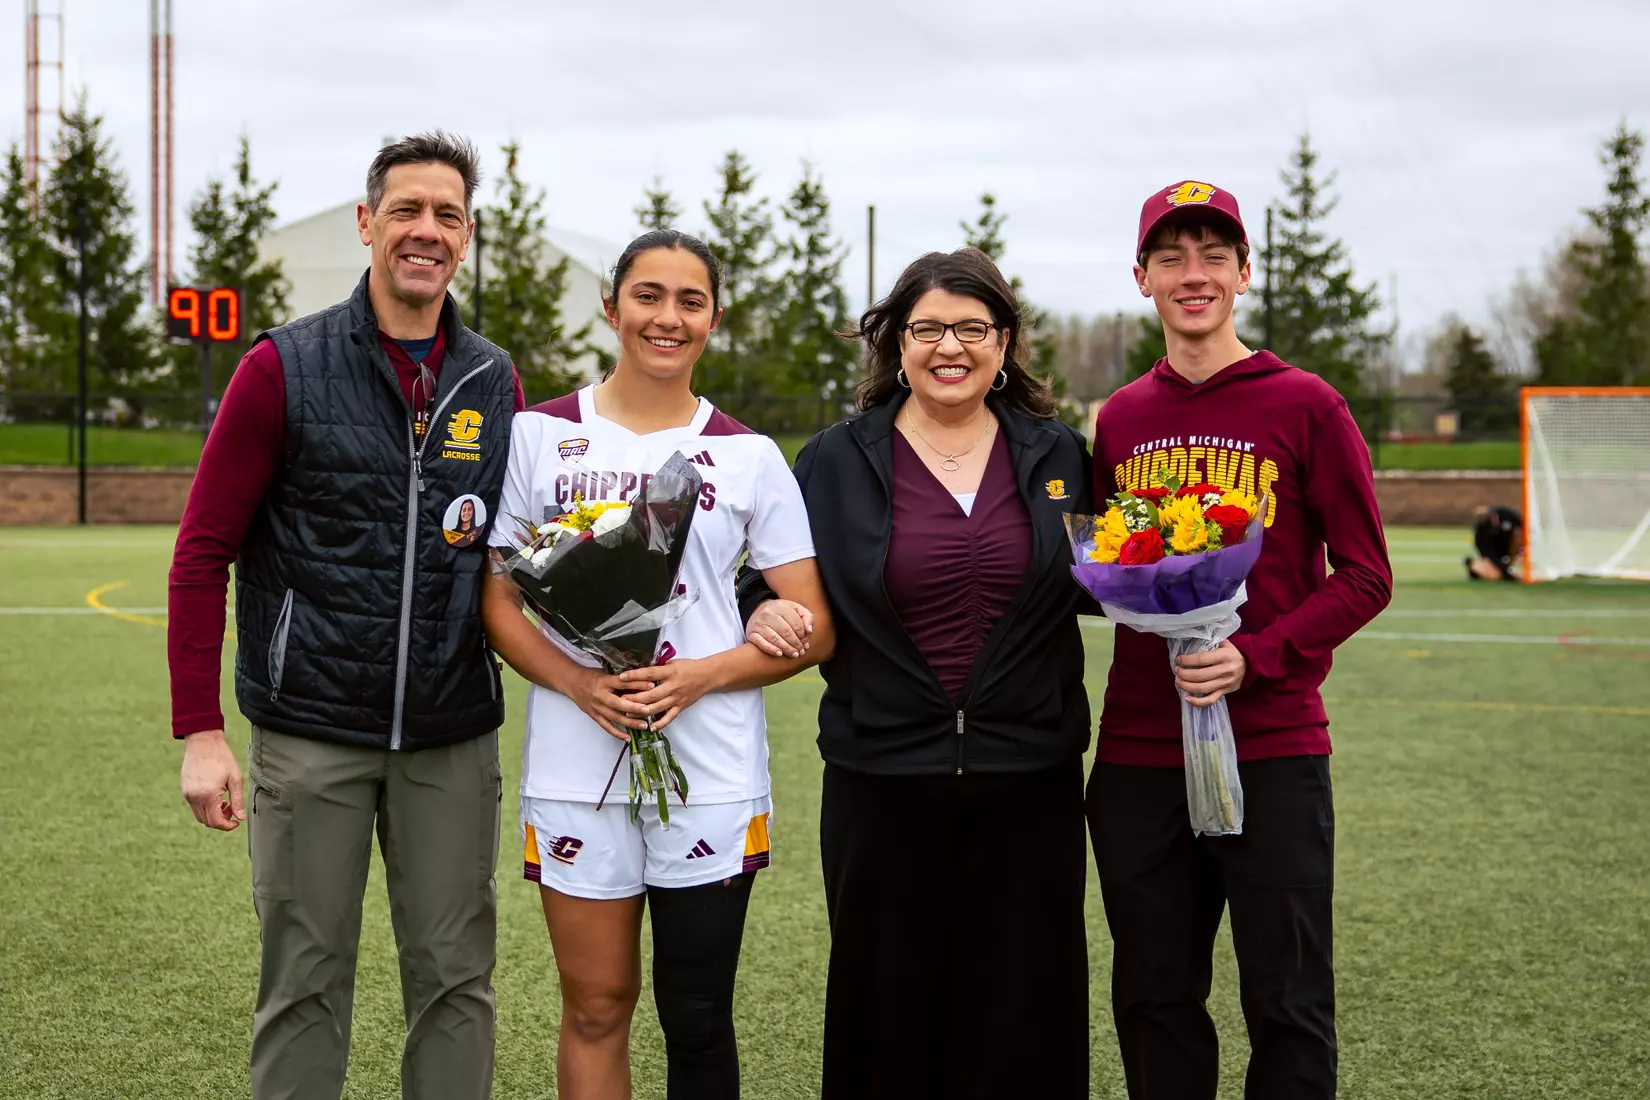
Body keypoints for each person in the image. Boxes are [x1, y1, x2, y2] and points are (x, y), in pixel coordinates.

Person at [168, 132, 525, 1100]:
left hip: (451, 735)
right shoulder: (281, 366)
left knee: (456, 980)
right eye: (406, 209)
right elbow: (202, 549)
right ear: (368, 224)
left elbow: (512, 553)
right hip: (309, 729)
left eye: (447, 215)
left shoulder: (493, 380)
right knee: (305, 981)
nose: (426, 231)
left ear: (468, 237)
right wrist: (200, 728)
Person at [480, 229, 834, 1100]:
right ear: (611, 306)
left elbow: (816, 628)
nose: (666, 318)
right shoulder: (536, 436)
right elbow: (498, 600)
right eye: (647, 296)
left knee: (699, 1011)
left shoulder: (750, 456)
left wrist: (700, 675)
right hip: (575, 764)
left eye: (690, 301)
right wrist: (581, 685)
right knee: (596, 1005)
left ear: (713, 319)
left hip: (709, 768)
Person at [740, 248, 1095, 1099]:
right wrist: (762, 608)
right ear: (896, 344)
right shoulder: (832, 459)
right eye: (927, 327)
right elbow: (767, 577)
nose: (950, 347)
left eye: (972, 328)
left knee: (1023, 1017)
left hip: (1030, 781)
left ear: (1003, 343)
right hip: (880, 778)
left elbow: (1110, 572)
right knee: (885, 1017)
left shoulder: (1062, 457)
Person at [1087, 181, 1393, 1100]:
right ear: (1141, 277)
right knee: (1152, 996)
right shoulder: (1119, 419)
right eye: (1172, 257)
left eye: (1214, 256)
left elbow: (1367, 575)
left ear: (1244, 274)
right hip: (1140, 752)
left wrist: (1255, 658)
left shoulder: (1307, 404)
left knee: (1288, 1000)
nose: (1194, 274)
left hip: (1273, 747)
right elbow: (1108, 569)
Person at [1466, 503, 1522, 581]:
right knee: (1494, 576)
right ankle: (1474, 565)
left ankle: (1514, 565)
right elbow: (1492, 558)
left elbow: (1521, 527)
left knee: (1518, 536)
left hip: (1510, 545)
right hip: (1496, 550)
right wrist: (1507, 573)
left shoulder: (1507, 514)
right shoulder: (1481, 536)